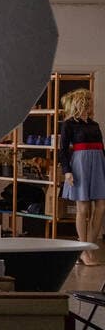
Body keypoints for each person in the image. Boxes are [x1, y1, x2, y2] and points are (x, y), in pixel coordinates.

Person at [59, 89, 105, 265]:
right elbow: (63, 150)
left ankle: (89, 246)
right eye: (86, 101)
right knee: (83, 209)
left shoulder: (94, 125)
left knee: (101, 206)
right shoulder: (69, 124)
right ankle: (83, 250)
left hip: (98, 164)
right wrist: (67, 171)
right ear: (79, 103)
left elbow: (101, 148)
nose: (90, 105)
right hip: (80, 166)